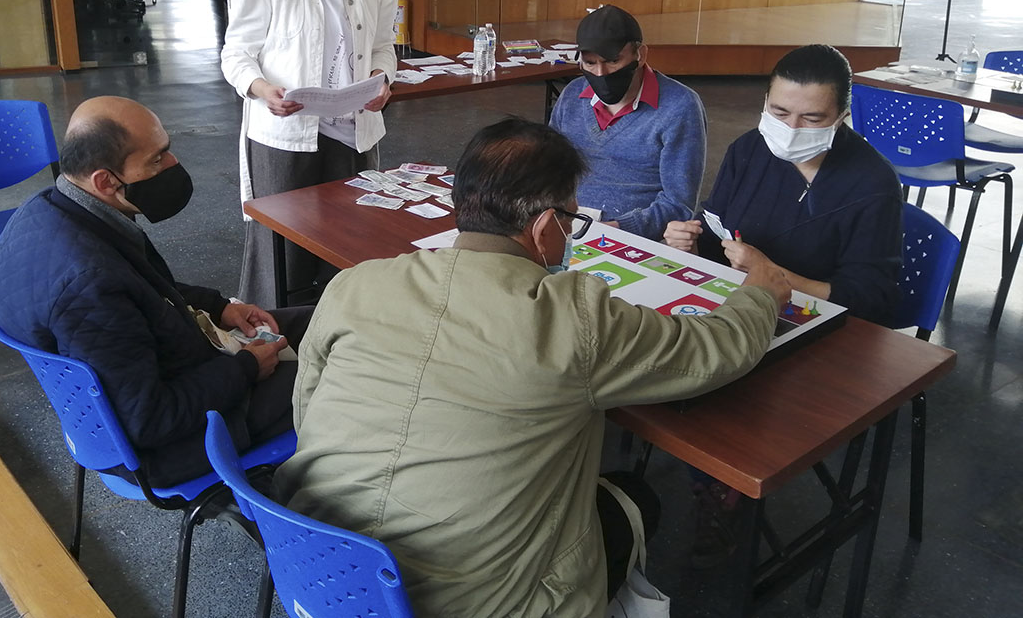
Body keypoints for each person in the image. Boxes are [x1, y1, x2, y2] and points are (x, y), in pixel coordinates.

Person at [277, 118, 789, 618]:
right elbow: (713, 351)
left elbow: (308, 406)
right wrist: (762, 293)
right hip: (477, 601)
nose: (571, 235)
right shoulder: (572, 317)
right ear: (546, 228)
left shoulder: (355, 284)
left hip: (319, 569)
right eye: (573, 221)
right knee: (632, 499)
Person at [0, 96, 311, 487]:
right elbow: (148, 419)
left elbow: (141, 290)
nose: (173, 165)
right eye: (157, 160)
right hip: (177, 442)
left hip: (166, 368)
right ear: (106, 181)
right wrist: (244, 368)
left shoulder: (50, 209)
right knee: (339, 368)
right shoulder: (90, 286)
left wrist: (220, 306)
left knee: (320, 319)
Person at [663, 43, 903, 565]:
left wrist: (777, 277)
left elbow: (874, 299)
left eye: (811, 117)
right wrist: (686, 240)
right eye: (779, 111)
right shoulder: (751, 150)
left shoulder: (871, 183)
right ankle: (710, 478)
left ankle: (719, 489)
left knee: (711, 390)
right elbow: (719, 233)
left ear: (841, 115)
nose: (791, 128)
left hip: (826, 336)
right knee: (670, 359)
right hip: (744, 308)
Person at [221, 0, 399, 306]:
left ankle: (345, 328)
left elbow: (382, 45)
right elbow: (237, 54)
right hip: (284, 129)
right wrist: (262, 90)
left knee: (351, 236)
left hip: (351, 126)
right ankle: (274, 329)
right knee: (282, 242)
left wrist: (381, 78)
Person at [549, 4, 706, 240]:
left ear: (640, 55)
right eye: (590, 63)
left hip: (631, 234)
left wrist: (617, 229)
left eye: (612, 61)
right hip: (566, 222)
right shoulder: (572, 95)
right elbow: (545, 169)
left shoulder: (680, 106)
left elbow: (679, 203)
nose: (600, 74)